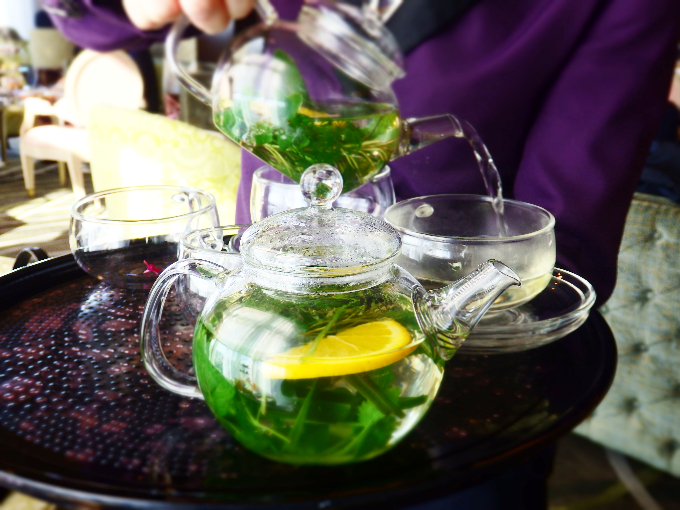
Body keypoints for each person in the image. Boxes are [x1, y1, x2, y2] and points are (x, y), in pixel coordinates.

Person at [43, 1, 680, 508]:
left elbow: (571, 225)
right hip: (263, 329)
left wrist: (429, 319)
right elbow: (86, 18)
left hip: (465, 384)